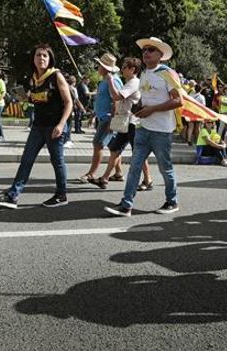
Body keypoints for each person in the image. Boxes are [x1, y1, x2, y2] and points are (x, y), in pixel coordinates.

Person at [104, 37, 182, 217]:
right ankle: (126, 205)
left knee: (165, 168)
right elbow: (145, 100)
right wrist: (139, 109)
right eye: (144, 50)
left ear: (161, 55)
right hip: (143, 128)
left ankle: (172, 201)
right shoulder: (144, 73)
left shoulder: (167, 73)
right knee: (134, 166)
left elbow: (178, 101)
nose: (146, 53)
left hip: (162, 131)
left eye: (151, 50)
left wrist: (152, 110)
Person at [0, 44, 72, 209]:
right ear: (33, 59)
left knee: (57, 161)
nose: (41, 58)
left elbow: (69, 102)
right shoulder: (33, 78)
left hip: (54, 126)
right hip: (38, 126)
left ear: (50, 59)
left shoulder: (56, 76)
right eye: (38, 55)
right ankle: (13, 195)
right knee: (26, 160)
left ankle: (61, 194)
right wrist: (24, 98)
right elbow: (35, 100)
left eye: (44, 55)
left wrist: (61, 124)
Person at [89, 57, 153, 190]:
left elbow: (117, 97)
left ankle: (148, 180)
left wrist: (111, 80)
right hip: (126, 122)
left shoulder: (134, 83)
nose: (122, 69)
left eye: (124, 67)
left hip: (132, 123)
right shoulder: (129, 82)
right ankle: (105, 178)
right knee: (114, 150)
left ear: (132, 69)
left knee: (138, 152)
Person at [78, 53, 122, 183]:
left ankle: (91, 174)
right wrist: (93, 116)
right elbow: (101, 100)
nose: (97, 67)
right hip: (103, 117)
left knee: (97, 144)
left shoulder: (112, 80)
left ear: (105, 67)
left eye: (99, 65)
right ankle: (118, 172)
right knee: (113, 147)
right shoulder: (104, 80)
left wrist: (112, 121)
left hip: (108, 118)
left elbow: (117, 100)